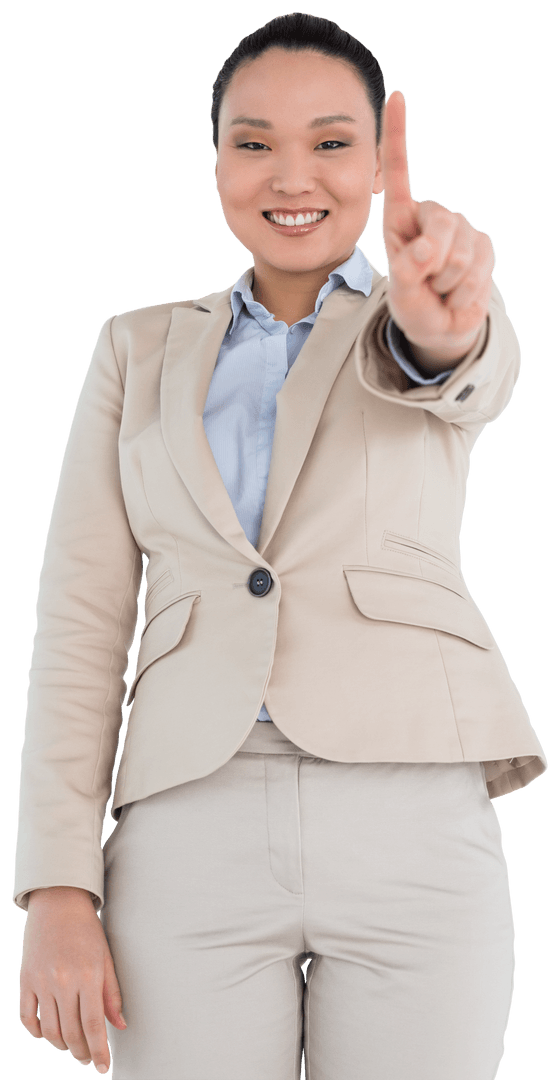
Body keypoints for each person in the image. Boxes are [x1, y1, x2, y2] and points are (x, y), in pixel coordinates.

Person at [13, 11, 548, 1080]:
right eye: (253, 142)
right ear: (213, 161)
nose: (290, 174)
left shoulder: (417, 311)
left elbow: (455, 367)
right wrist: (57, 888)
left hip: (409, 802)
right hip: (184, 818)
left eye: (332, 142)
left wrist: (444, 322)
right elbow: (80, 621)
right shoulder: (134, 346)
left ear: (375, 164)